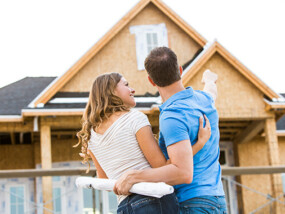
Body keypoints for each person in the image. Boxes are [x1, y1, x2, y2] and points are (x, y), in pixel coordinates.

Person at [75, 72, 211, 214]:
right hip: (153, 200)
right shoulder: (134, 118)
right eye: (126, 85)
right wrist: (199, 144)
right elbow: (164, 167)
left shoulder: (91, 135)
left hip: (124, 206)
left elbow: (105, 181)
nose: (132, 90)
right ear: (111, 91)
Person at [113, 47, 227, 214]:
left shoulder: (172, 116)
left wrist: (135, 176)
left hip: (192, 203)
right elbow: (211, 91)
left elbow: (183, 173)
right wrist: (209, 80)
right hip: (217, 200)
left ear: (151, 81)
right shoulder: (204, 100)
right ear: (180, 70)